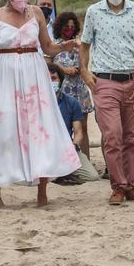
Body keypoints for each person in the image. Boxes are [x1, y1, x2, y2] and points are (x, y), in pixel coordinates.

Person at [0, 0, 80, 208]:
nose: (22, 0)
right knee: (4, 129)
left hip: (34, 71)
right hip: (6, 71)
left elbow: (48, 47)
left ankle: (42, 190)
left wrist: (64, 46)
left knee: (39, 127)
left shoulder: (37, 13)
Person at [79, 0, 134, 206]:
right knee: (113, 135)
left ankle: (129, 185)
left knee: (132, 136)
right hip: (105, 81)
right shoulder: (93, 12)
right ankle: (118, 186)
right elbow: (84, 45)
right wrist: (84, 70)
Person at [49, 63, 99, 185]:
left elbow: (78, 132)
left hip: (67, 149)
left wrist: (74, 144)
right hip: (46, 149)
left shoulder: (72, 102)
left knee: (92, 176)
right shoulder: (35, 102)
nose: (51, 82)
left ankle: (65, 172)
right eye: (47, 79)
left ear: (61, 80)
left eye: (54, 78)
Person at [52, 11, 93, 158]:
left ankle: (85, 159)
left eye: (72, 26)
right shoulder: (54, 46)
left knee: (83, 127)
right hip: (62, 90)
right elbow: (47, 65)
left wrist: (82, 49)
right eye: (66, 26)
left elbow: (85, 65)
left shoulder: (79, 45)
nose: (69, 29)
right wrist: (63, 69)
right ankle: (61, 158)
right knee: (61, 125)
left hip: (79, 91)